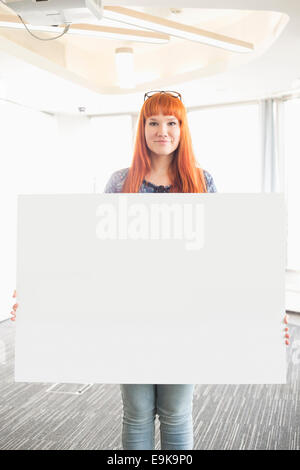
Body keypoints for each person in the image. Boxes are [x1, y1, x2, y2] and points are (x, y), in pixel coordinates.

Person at [10, 90, 290, 450]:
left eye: (172, 122)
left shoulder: (202, 184)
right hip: (131, 316)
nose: (163, 130)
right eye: (153, 122)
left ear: (182, 128)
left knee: (175, 411)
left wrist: (263, 314)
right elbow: (91, 254)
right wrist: (39, 295)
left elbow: (226, 260)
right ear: (142, 129)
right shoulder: (120, 183)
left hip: (186, 317)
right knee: (137, 411)